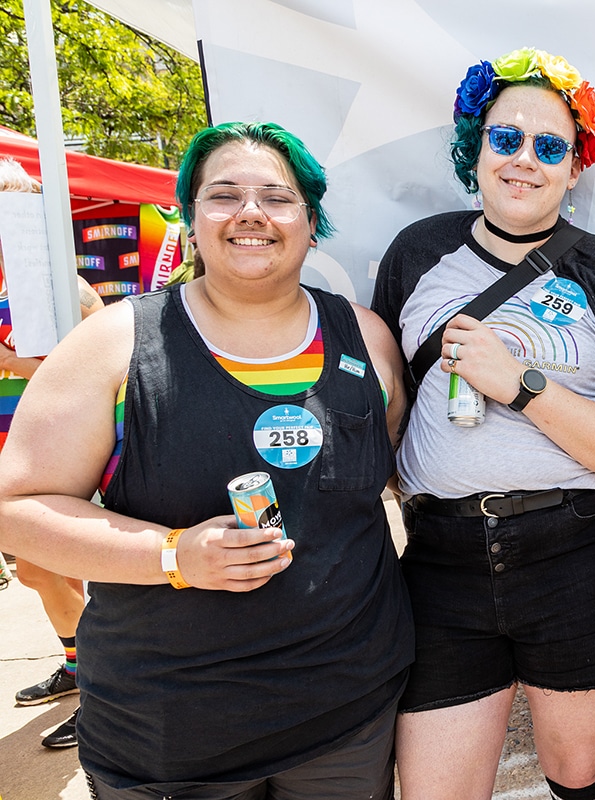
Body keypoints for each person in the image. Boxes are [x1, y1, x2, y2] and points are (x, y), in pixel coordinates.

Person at [0, 121, 413, 798]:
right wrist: (173, 555)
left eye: (276, 198)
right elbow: (14, 509)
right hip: (170, 733)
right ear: (192, 219)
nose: (251, 211)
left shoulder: (365, 338)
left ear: (311, 222)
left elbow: (384, 472)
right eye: (224, 194)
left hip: (349, 716)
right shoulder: (113, 344)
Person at [371, 47, 595, 800]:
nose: (524, 161)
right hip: (441, 561)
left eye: (549, 147)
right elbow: (386, 407)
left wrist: (522, 385)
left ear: (576, 168)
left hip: (575, 555)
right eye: (505, 139)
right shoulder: (417, 254)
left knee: (581, 776)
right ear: (474, 150)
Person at [0, 156, 104, 748]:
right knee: (40, 572)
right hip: (11, 452)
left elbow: (100, 355)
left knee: (50, 565)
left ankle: (99, 685)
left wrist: (16, 362)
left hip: (57, 450)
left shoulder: (57, 280)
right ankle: (79, 668)